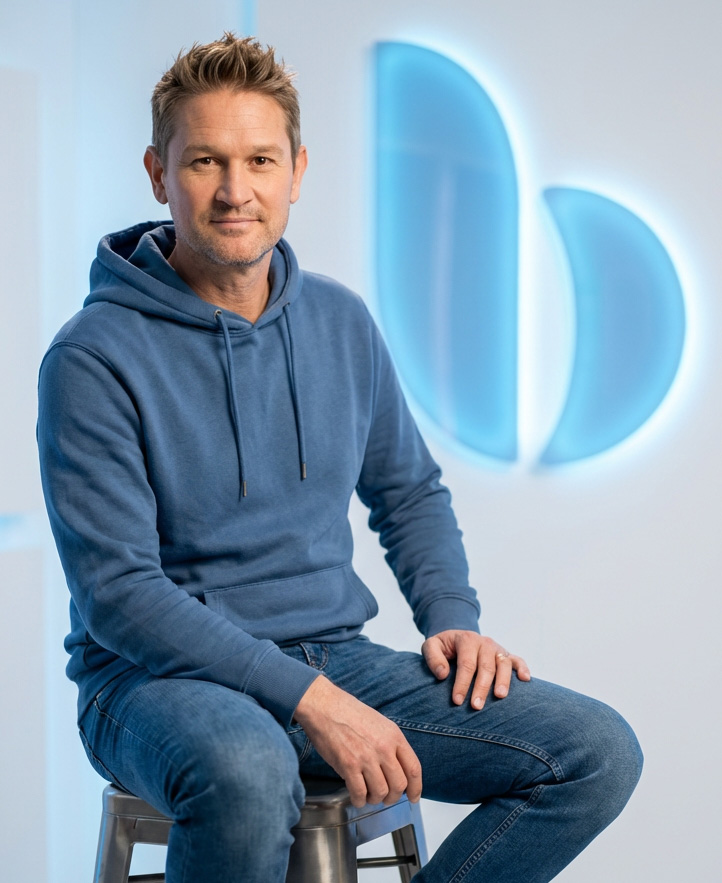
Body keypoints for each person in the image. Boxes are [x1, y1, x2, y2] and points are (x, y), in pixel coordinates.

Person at [37, 33, 642, 883]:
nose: (236, 191)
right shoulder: (93, 356)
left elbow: (408, 490)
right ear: (157, 173)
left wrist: (451, 617)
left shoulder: (339, 322)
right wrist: (309, 699)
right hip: (151, 681)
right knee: (247, 772)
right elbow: (120, 593)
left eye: (260, 160)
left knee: (593, 751)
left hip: (334, 655)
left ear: (297, 170)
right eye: (206, 161)